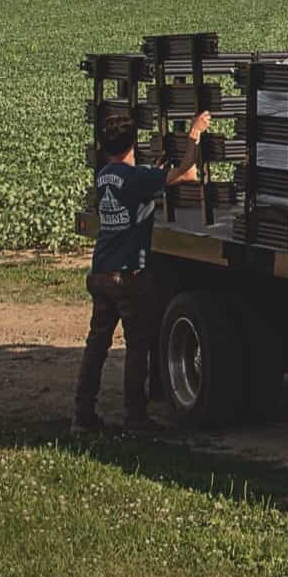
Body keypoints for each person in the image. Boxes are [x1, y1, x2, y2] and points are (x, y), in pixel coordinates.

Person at [77, 110, 208, 431]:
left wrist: (156, 172)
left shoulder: (104, 175)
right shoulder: (138, 178)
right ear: (132, 143)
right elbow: (187, 172)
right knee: (137, 346)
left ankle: (82, 414)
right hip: (128, 276)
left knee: (96, 346)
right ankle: (135, 415)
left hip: (101, 271)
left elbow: (137, 182)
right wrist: (195, 133)